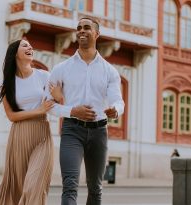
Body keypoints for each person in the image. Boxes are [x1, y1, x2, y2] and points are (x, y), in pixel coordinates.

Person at [47, 17, 125, 205]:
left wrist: (115, 110)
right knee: (70, 185)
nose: (81, 31)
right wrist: (72, 111)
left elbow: (118, 101)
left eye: (87, 28)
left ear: (97, 34)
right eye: (79, 28)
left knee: (96, 188)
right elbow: (48, 105)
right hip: (72, 131)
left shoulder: (110, 71)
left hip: (99, 132)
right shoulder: (61, 68)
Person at [0, 39, 60, 205]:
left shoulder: (44, 76)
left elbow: (59, 100)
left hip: (42, 136)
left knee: (34, 186)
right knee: (17, 188)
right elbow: (12, 116)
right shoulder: (7, 85)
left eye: (31, 45)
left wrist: (59, 96)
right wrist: (39, 110)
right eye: (25, 45)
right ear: (15, 53)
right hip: (19, 136)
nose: (30, 47)